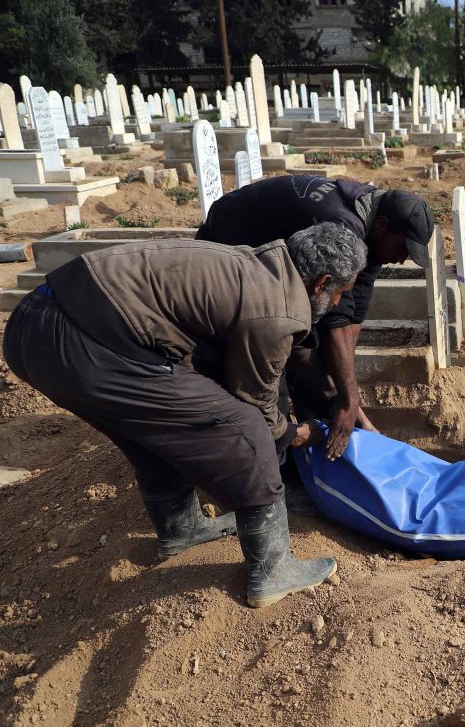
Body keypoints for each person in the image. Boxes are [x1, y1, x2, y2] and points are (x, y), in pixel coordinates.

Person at [3, 223, 368, 608]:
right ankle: (273, 569)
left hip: (33, 326)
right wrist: (297, 433)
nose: (339, 302)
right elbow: (256, 405)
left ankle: (182, 529)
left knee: (154, 426)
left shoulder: (260, 262)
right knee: (244, 429)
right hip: (82, 341)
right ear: (321, 282)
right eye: (341, 292)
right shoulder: (277, 310)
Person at [195, 175, 435, 460]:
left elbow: (354, 313)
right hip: (229, 261)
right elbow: (335, 320)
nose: (401, 259)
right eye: (403, 248)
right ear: (383, 226)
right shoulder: (341, 225)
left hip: (281, 277)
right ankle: (276, 468)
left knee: (319, 367)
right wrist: (349, 400)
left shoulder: (371, 227)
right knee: (273, 371)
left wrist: (350, 397)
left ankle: (318, 459)